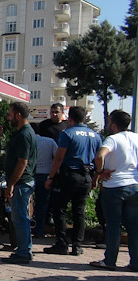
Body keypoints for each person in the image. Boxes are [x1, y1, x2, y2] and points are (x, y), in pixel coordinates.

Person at [43, 106, 101, 256]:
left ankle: (61, 244)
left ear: (71, 118)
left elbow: (59, 157)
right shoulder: (95, 136)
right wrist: (96, 178)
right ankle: (77, 245)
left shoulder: (68, 133)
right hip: (86, 176)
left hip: (69, 176)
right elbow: (99, 158)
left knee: (59, 209)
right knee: (79, 212)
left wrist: (51, 177)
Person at [90, 110, 138, 271]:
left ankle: (110, 260)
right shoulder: (136, 138)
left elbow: (99, 156)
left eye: (109, 121)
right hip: (134, 186)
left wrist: (100, 171)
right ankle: (135, 262)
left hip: (114, 187)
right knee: (133, 226)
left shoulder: (112, 139)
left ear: (114, 124)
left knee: (113, 226)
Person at [2, 102, 37, 264]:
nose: (8, 118)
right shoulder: (26, 133)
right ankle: (25, 249)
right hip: (23, 182)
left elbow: (22, 162)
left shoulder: (24, 134)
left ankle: (23, 252)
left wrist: (11, 185)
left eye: (10, 114)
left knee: (20, 218)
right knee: (21, 217)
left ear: (18, 115)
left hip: (21, 183)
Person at [32, 129, 58, 238]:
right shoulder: (50, 141)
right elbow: (57, 157)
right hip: (46, 175)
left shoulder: (29, 141)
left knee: (26, 204)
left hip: (31, 174)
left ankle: (28, 228)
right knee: (42, 204)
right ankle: (40, 230)